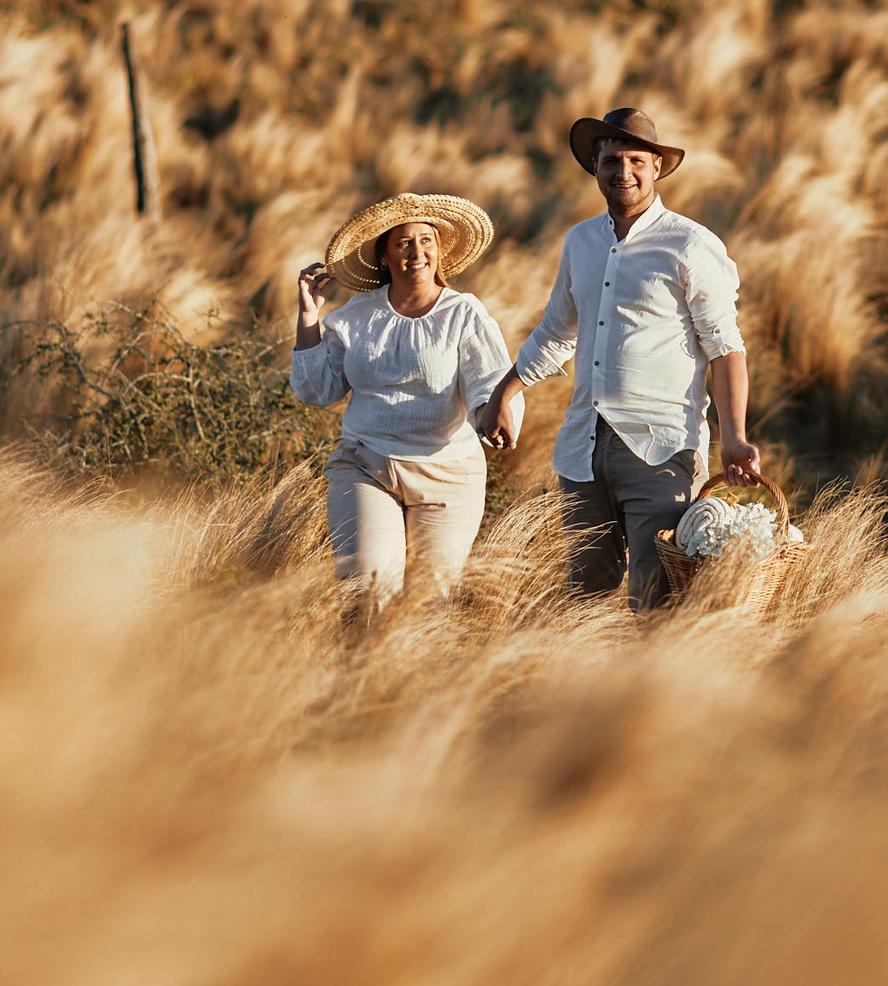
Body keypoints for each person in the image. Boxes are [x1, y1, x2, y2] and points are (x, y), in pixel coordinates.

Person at [476, 107, 760, 611]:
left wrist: (734, 437)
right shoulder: (580, 241)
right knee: (585, 601)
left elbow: (726, 348)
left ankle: (656, 690)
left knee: (657, 601)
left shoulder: (690, 244)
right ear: (595, 167)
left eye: (635, 160)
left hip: (661, 449)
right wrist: (507, 391)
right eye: (611, 161)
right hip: (584, 448)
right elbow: (558, 330)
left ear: (656, 168)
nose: (622, 172)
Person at [290, 191, 513, 603]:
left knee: (427, 607)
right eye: (404, 242)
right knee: (369, 596)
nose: (417, 251)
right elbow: (316, 389)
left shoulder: (464, 313)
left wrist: (491, 413)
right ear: (385, 256)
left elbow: (490, 381)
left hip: (449, 477)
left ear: (440, 250)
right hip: (367, 465)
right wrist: (309, 317)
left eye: (426, 240)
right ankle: (358, 667)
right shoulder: (356, 317)